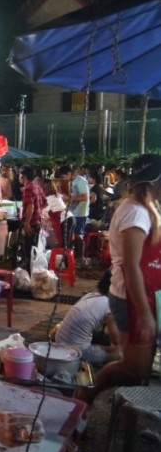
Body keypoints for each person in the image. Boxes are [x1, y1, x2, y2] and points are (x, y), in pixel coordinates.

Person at [79, 154, 161, 405]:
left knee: (141, 370)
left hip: (142, 297)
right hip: (132, 300)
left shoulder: (145, 208)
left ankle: (125, 416)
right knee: (132, 369)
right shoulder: (135, 212)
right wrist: (145, 313)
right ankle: (83, 400)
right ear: (153, 181)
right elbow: (131, 267)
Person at [52, 270, 121, 366]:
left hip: (60, 339)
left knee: (104, 339)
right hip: (74, 350)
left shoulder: (91, 295)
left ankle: (97, 350)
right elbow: (117, 340)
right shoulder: (110, 305)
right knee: (119, 354)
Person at [18, 165, 46, 271]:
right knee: (33, 248)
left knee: (28, 249)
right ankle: (32, 271)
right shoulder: (36, 186)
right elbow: (45, 202)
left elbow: (31, 206)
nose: (19, 177)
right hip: (37, 221)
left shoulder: (28, 188)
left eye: (20, 175)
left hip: (31, 223)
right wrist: (38, 212)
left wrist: (27, 222)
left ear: (24, 176)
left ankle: (29, 274)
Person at [59, 164, 89, 260]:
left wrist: (69, 198)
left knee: (78, 235)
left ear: (69, 173)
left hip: (80, 212)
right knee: (72, 235)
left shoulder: (80, 181)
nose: (64, 179)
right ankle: (74, 257)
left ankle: (80, 257)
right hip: (73, 212)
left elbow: (85, 197)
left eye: (64, 176)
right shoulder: (72, 181)